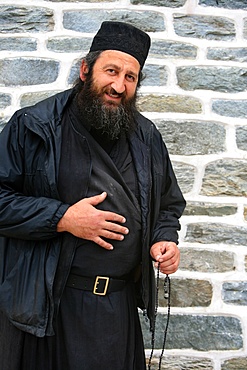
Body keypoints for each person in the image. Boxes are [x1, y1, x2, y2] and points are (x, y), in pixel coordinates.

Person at [0, 21, 186, 370]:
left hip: (117, 312)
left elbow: (168, 204)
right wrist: (63, 218)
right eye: (111, 71)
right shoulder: (34, 126)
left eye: (130, 77)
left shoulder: (146, 137)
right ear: (86, 70)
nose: (118, 85)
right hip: (50, 309)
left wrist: (165, 240)